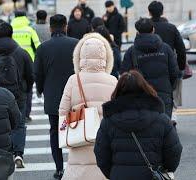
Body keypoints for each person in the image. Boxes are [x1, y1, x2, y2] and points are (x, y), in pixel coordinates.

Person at [94, 70, 183, 180]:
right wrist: (164, 170)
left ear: (118, 91)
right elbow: (174, 152)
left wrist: (114, 173)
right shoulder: (161, 119)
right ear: (145, 88)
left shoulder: (108, 122)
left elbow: (101, 155)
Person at [59, 33, 117, 180]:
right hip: (105, 139)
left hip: (80, 137)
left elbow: (62, 111)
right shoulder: (112, 81)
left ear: (80, 57)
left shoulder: (73, 80)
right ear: (105, 57)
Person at [34, 14, 79, 179]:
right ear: (66, 26)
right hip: (74, 95)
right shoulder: (76, 44)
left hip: (53, 96)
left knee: (55, 132)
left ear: (50, 28)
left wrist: (40, 89)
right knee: (77, 132)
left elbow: (37, 73)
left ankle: (59, 169)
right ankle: (75, 167)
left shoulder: (43, 48)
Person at [0, 21, 34, 168]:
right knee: (19, 124)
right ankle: (18, 153)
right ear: (12, 34)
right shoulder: (21, 52)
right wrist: (26, 89)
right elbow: (31, 75)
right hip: (18, 94)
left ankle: (3, 153)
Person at [121, 18, 180, 118]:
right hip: (164, 93)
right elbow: (174, 72)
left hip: (140, 95)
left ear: (137, 32)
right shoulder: (166, 48)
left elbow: (124, 76)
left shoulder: (131, 52)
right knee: (164, 128)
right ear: (153, 30)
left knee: (144, 129)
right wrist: (169, 88)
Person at [148, 1, 187, 123]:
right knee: (170, 95)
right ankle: (170, 118)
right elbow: (181, 49)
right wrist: (180, 67)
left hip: (148, 66)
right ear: (162, 12)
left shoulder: (146, 27)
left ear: (149, 12)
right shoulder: (171, 28)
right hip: (168, 66)